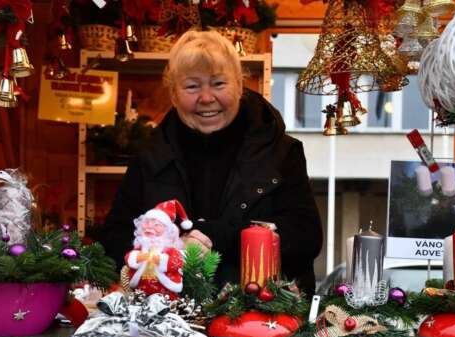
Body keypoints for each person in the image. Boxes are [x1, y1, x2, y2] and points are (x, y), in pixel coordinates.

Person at [99, 31, 322, 295]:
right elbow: (113, 240)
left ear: (239, 85)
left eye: (218, 84)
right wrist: (169, 247)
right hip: (165, 317)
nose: (206, 98)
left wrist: (218, 235)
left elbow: (306, 237)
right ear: (173, 93)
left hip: (259, 317)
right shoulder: (150, 156)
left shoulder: (281, 152)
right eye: (192, 86)